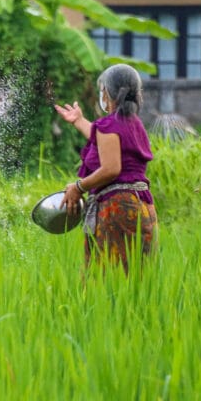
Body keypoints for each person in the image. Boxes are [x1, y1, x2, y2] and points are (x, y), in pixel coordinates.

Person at [54, 64, 157, 272]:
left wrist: (78, 187)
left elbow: (111, 169)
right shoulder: (132, 123)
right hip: (142, 206)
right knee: (136, 278)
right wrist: (79, 121)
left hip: (117, 209)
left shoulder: (109, 125)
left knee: (107, 279)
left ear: (108, 93)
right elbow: (104, 139)